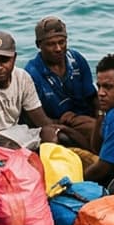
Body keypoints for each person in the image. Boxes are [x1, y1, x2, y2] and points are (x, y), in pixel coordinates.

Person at [0, 31, 59, 146]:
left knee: (53, 134)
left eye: (4, 60)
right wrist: (20, 153)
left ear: (14, 58)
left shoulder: (23, 78)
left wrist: (63, 129)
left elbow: (41, 121)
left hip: (17, 132)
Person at [27, 17, 99, 148]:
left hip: (85, 118)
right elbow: (38, 120)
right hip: (57, 125)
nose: (58, 48)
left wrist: (101, 118)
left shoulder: (76, 59)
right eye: (51, 44)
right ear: (39, 45)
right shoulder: (32, 74)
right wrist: (65, 121)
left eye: (62, 42)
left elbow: (92, 97)